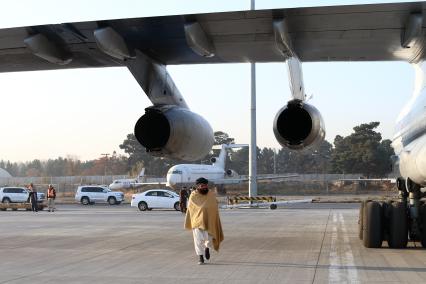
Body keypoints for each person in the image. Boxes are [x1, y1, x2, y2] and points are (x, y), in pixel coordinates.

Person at [185, 177, 224, 265]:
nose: (205, 187)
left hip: (209, 220)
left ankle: (207, 248)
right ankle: (200, 257)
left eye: (206, 185)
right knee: (198, 240)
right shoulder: (193, 195)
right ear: (198, 186)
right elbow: (191, 208)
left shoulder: (210, 194)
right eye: (202, 186)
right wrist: (201, 209)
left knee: (210, 238)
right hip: (197, 221)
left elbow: (214, 204)